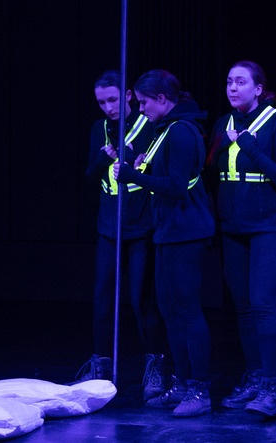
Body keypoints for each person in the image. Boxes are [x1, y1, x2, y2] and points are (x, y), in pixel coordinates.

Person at [114, 69, 215, 418]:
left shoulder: (183, 131)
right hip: (168, 229)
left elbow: (176, 185)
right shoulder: (167, 130)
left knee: (187, 311)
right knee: (170, 312)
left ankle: (200, 392)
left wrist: (134, 175)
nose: (140, 110)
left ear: (162, 99)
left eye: (143, 103)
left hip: (187, 230)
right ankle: (184, 385)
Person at [207, 60, 276, 419]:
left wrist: (249, 146)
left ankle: (274, 386)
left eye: (240, 82)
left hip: (269, 226)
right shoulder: (222, 123)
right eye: (229, 81)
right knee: (242, 307)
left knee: (262, 304)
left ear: (258, 89)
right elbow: (214, 169)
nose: (232, 87)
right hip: (233, 226)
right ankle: (256, 377)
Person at [75, 70, 167, 403]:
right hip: (108, 227)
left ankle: (155, 367)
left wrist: (134, 161)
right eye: (102, 102)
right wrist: (104, 156)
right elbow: (89, 174)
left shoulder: (148, 126)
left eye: (113, 99)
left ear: (127, 95)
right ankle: (101, 366)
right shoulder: (98, 129)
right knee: (102, 299)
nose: (108, 107)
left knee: (142, 300)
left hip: (140, 227)